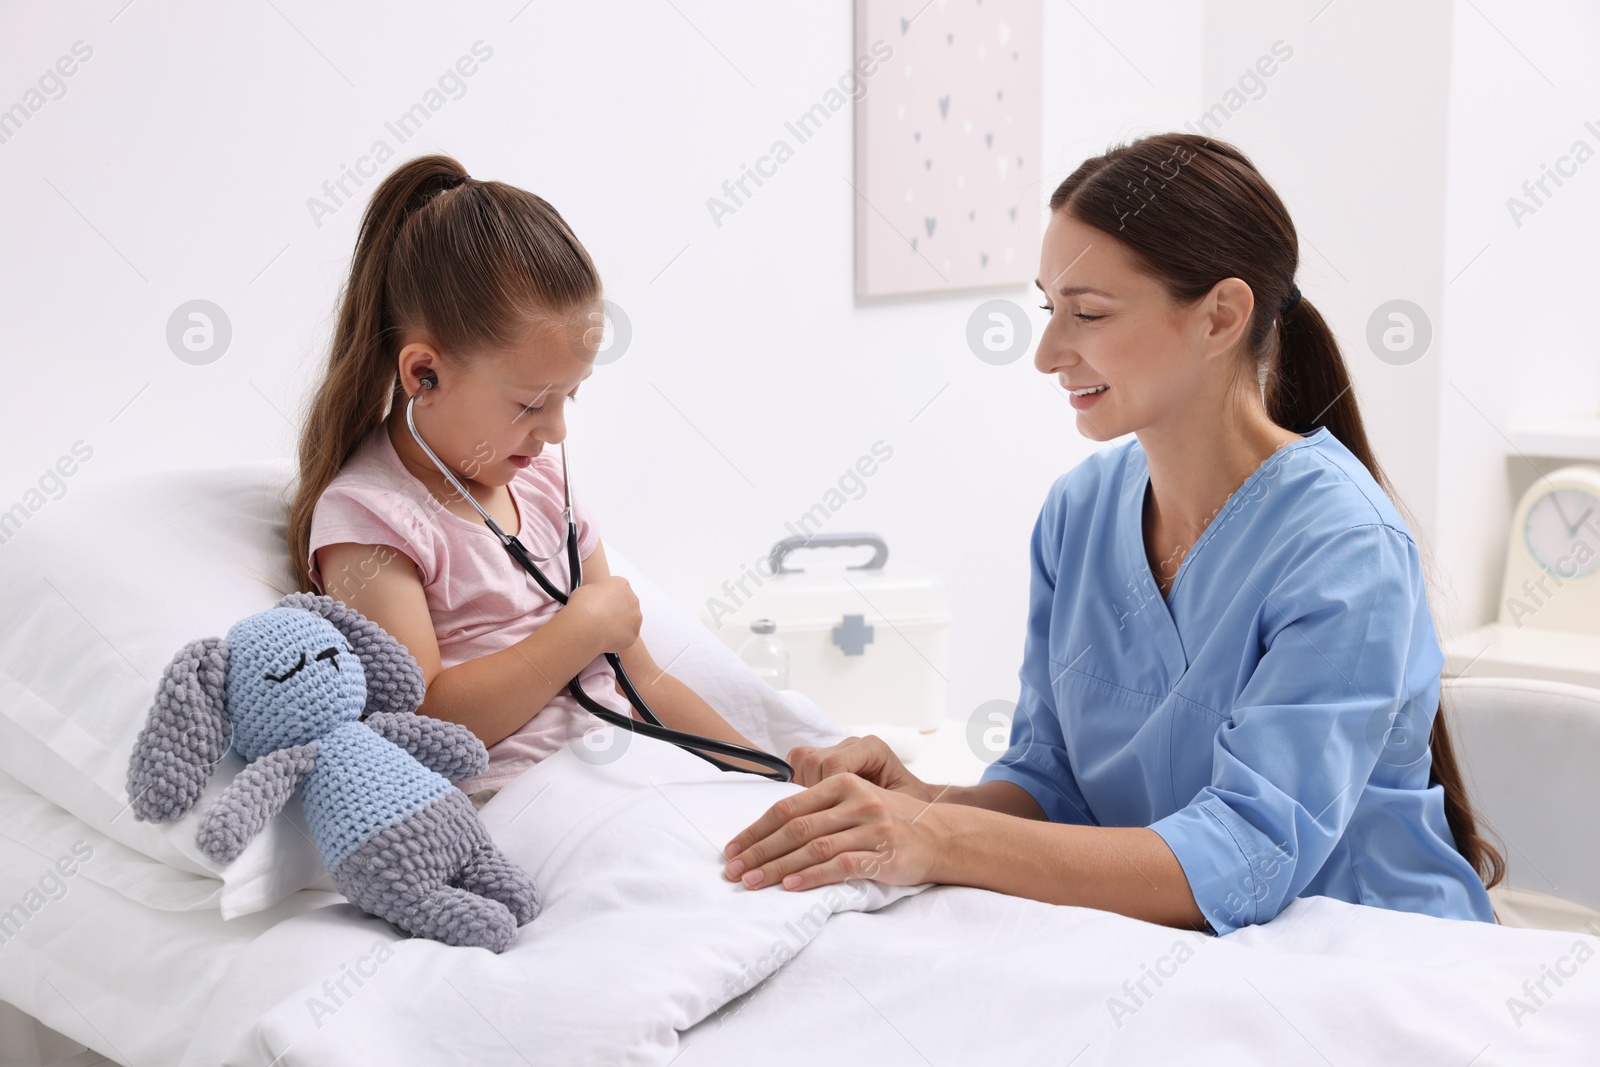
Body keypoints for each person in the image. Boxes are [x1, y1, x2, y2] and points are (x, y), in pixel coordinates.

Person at [719, 133, 1505, 935]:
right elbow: (1052, 789)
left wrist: (941, 836)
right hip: (1176, 957)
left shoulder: (1344, 548)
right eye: (1047, 309)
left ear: (1221, 317)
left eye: (1088, 313)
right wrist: (917, 799)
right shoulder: (1081, 512)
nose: (1048, 353)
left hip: (1375, 956)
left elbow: (1247, 857)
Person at [285, 154, 771, 810]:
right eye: (530, 404)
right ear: (423, 373)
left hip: (637, 775)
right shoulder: (371, 519)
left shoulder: (542, 489)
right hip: (532, 810)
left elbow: (643, 679)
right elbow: (422, 721)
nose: (557, 431)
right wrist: (576, 631)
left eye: (571, 396)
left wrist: (772, 780)